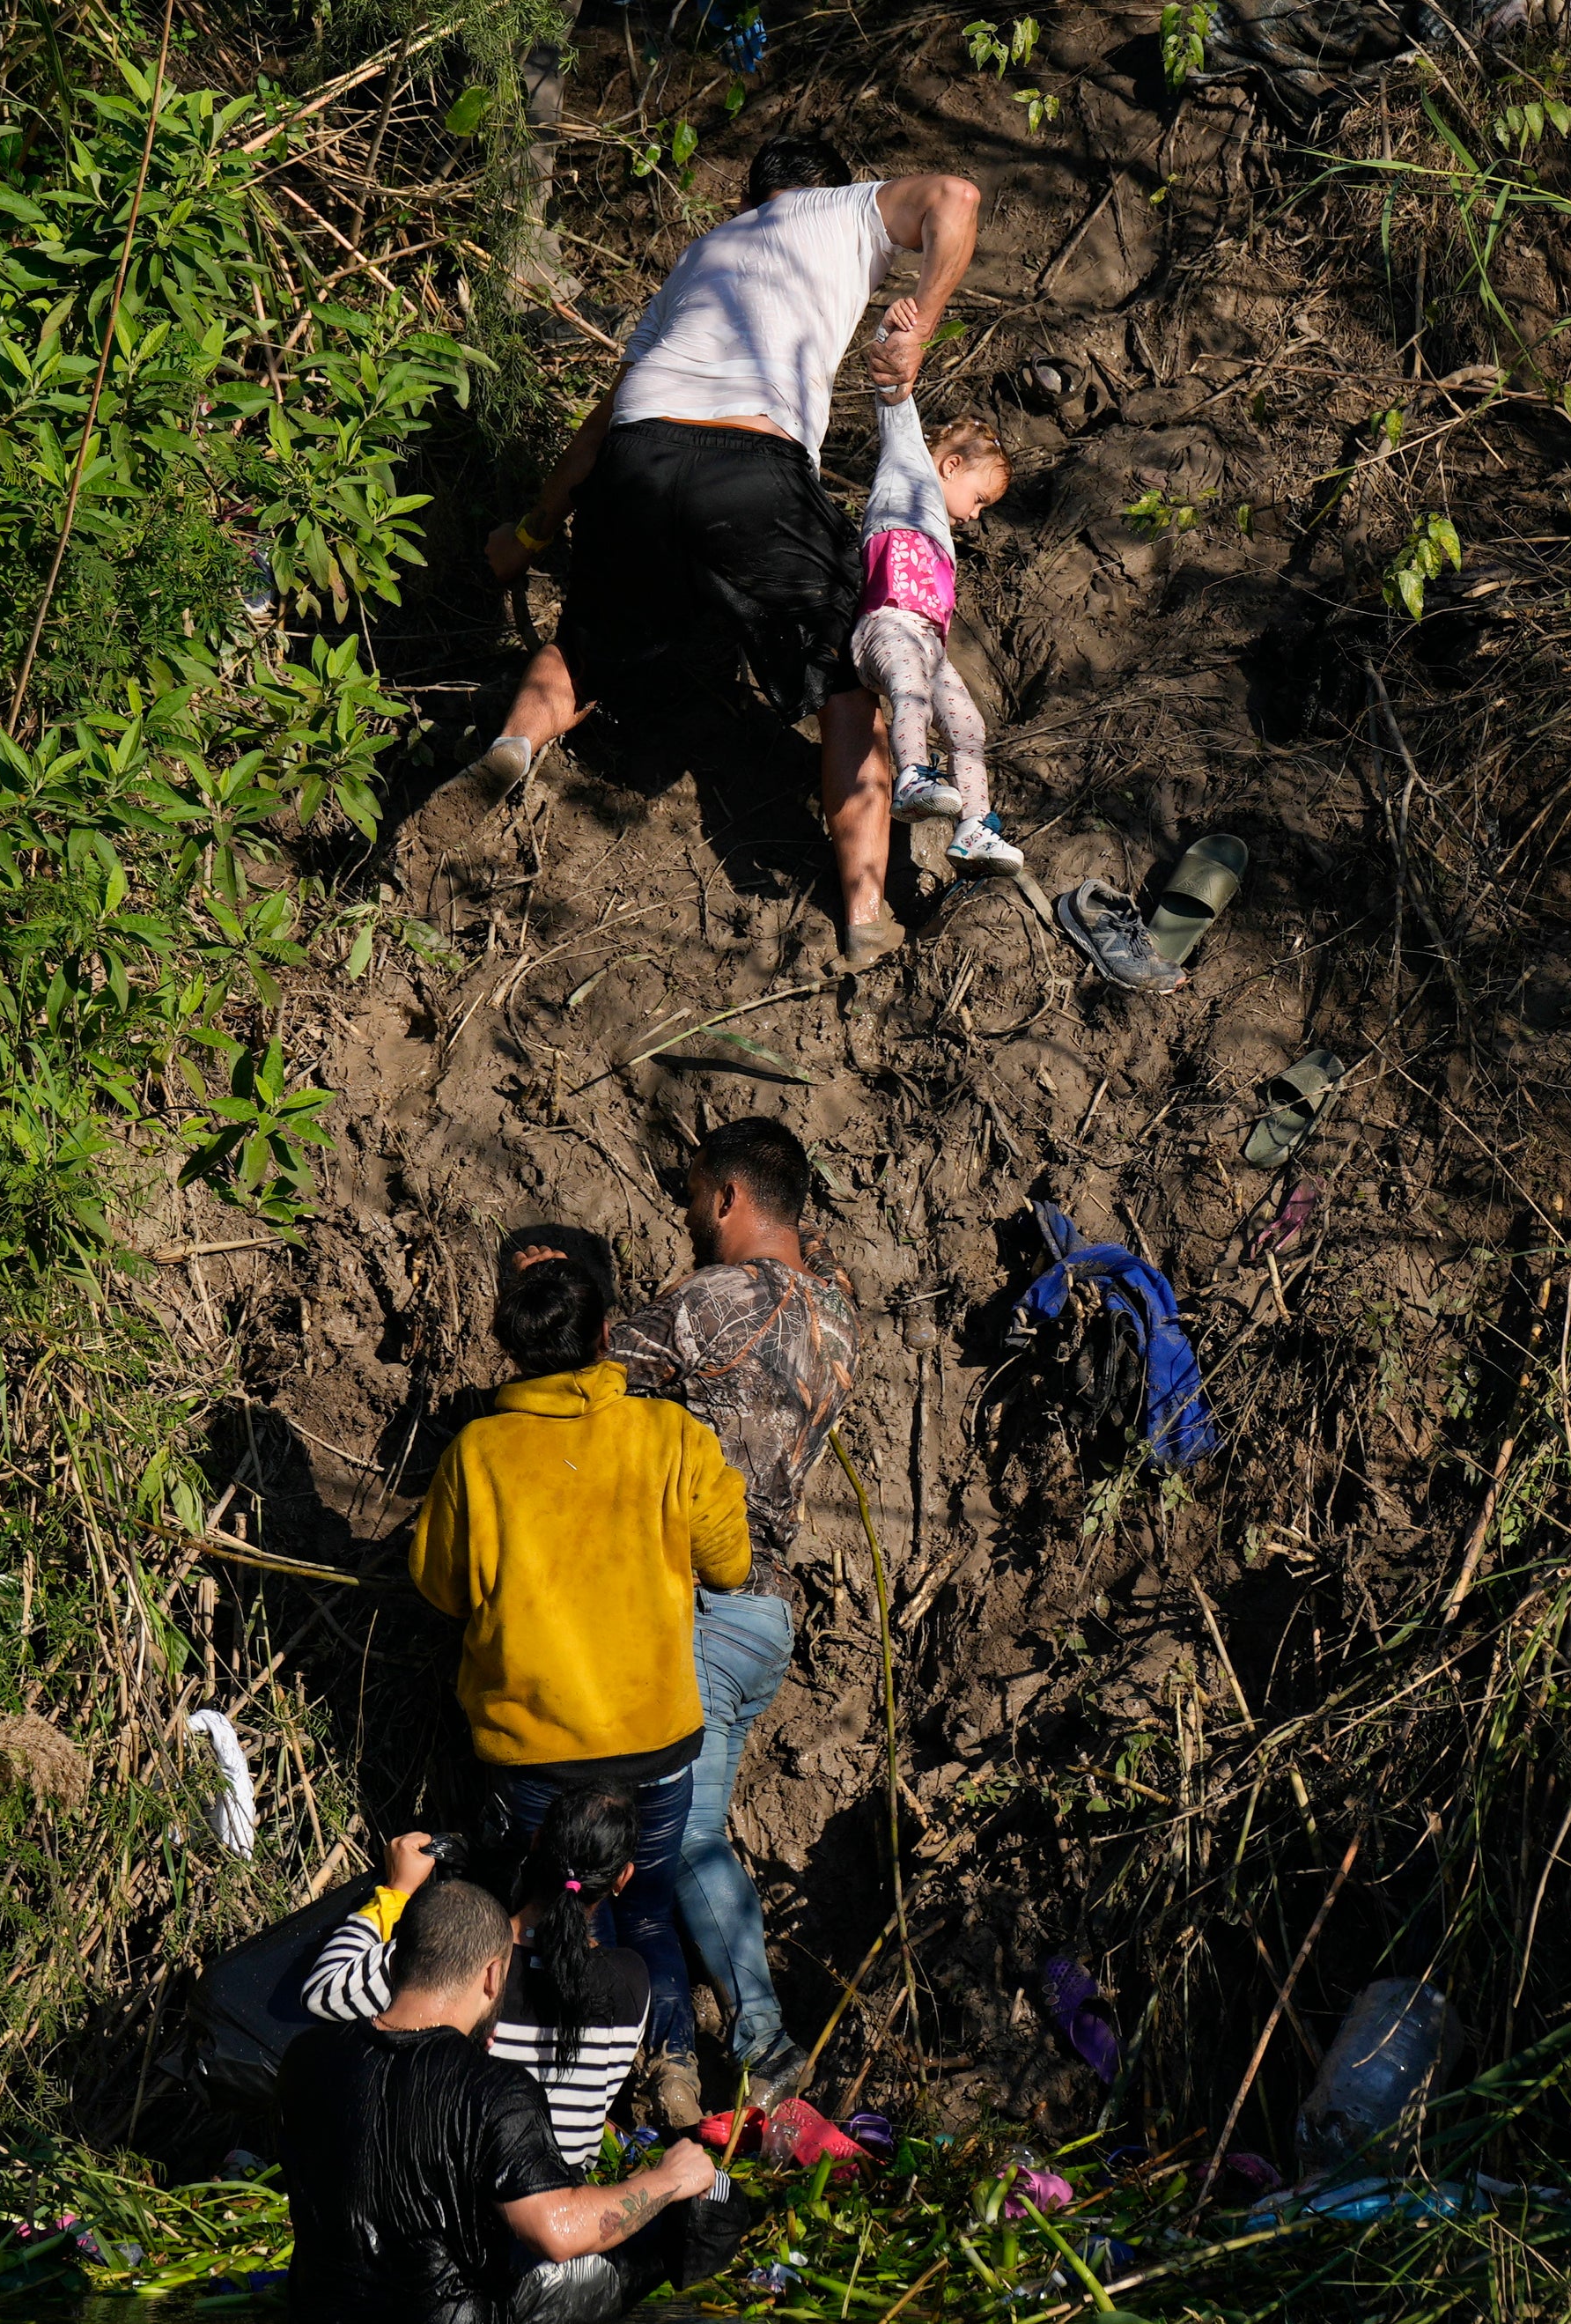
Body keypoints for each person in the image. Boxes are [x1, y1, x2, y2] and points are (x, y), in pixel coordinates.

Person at [450, 134, 985, 966]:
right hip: (752, 465)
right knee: (850, 675)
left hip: (640, 451)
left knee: (588, 645)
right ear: (820, 190)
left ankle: (512, 745)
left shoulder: (704, 252)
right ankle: (867, 908)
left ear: (749, 196)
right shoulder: (837, 211)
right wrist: (921, 330)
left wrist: (528, 534)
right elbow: (956, 197)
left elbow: (606, 418)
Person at [409, 1254, 751, 2125]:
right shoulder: (668, 1436)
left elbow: (440, 1588)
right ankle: (673, 2073)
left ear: (508, 1349)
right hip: (657, 1740)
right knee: (644, 1909)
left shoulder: (476, 1454)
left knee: (543, 1911)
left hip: (534, 1757)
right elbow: (731, 1561)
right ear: (607, 1335)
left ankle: (549, 2104)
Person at [605, 1117, 858, 2109]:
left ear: (726, 1200)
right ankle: (703, 2043)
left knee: (691, 1836)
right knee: (677, 1830)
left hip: (705, 1606)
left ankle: (764, 2047)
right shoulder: (838, 1312)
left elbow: (590, 1370)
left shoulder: (709, 1302)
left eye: (693, 1197)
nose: (684, 1218)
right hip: (766, 1625)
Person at [277, 1878, 732, 2324]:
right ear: (494, 1975)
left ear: (397, 1958)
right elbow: (558, 2232)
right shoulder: (493, 2088)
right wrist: (668, 2178)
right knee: (717, 2197)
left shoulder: (306, 2061)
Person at [300, 1792, 653, 2170]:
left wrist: (396, 1893)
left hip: (454, 2189)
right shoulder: (633, 1980)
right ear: (622, 1877)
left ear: (535, 1843)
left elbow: (325, 1992)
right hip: (563, 2195)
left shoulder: (464, 1953)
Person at [854, 385, 1020, 875]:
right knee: (911, 695)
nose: (974, 514)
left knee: (970, 730)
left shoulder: (941, 531)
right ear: (951, 467)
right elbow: (897, 412)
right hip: (887, 624)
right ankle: (911, 780)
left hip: (928, 644)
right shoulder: (908, 477)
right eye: (979, 498)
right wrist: (897, 361)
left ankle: (972, 829)